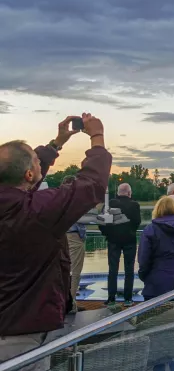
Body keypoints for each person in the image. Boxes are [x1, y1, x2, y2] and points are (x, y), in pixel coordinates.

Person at [0, 114, 112, 370]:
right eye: (37, 162)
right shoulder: (34, 212)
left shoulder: (23, 205)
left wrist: (56, 144)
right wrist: (97, 138)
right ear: (30, 174)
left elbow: (18, 175)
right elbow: (90, 185)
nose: (40, 164)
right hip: (21, 336)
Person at [99, 183, 141, 307]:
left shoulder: (110, 204)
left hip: (113, 241)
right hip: (130, 240)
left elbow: (101, 221)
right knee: (129, 270)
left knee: (112, 270)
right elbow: (137, 222)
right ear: (129, 193)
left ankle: (111, 299)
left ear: (118, 192)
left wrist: (108, 233)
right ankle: (128, 299)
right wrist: (131, 231)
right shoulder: (134, 205)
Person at [62, 175, 88, 314]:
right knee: (74, 272)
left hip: (63, 236)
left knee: (65, 271)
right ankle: (70, 305)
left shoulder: (59, 198)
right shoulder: (74, 201)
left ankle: (69, 302)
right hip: (74, 236)